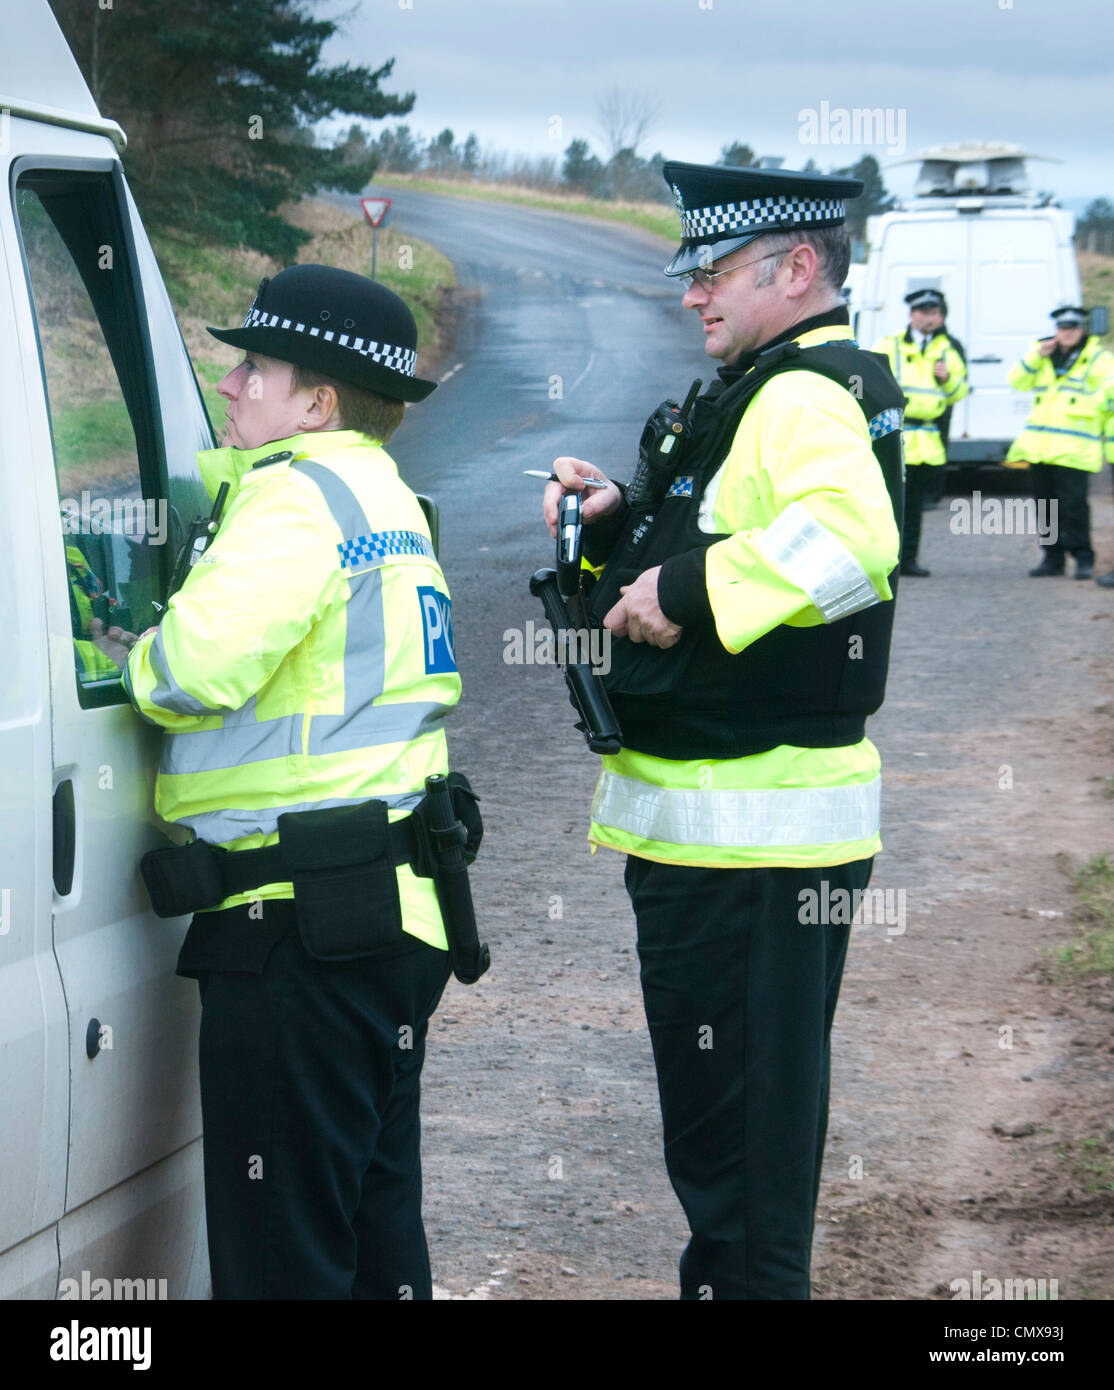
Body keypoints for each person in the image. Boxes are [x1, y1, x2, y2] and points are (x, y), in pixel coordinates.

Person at [542, 161, 903, 1299]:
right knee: (731, 1160)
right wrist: (618, 525)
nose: (693, 296)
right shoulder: (771, 385)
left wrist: (688, 591)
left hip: (753, 851)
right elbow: (736, 531)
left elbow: (851, 540)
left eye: (713, 275)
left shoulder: (801, 394)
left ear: (797, 269)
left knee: (740, 1176)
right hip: (734, 848)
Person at [123, 265, 462, 1299]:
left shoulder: (292, 498)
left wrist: (128, 645)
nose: (228, 385)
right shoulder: (383, 498)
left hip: (297, 931)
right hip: (391, 912)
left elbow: (188, 670)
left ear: (316, 403)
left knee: (281, 1259)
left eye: (253, 367)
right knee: (370, 1236)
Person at [1006, 305, 1114, 580]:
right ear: (1056, 331)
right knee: (1046, 505)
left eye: (1073, 328)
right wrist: (1035, 354)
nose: (1068, 333)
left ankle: (1082, 557)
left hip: (1075, 448)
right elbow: (1017, 381)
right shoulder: (1043, 356)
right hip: (1042, 447)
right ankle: (1052, 558)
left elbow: (1108, 393)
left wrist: (1088, 406)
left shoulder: (1098, 359)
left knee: (1074, 506)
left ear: (1083, 330)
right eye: (1063, 329)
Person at [872, 289, 968, 576]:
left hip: (925, 440)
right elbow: (870, 380)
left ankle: (908, 559)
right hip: (893, 434)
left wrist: (947, 379)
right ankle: (884, 559)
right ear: (912, 315)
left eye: (935, 313)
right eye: (924, 312)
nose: (930, 318)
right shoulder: (890, 344)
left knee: (913, 506)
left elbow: (958, 392)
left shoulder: (948, 351)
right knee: (886, 503)